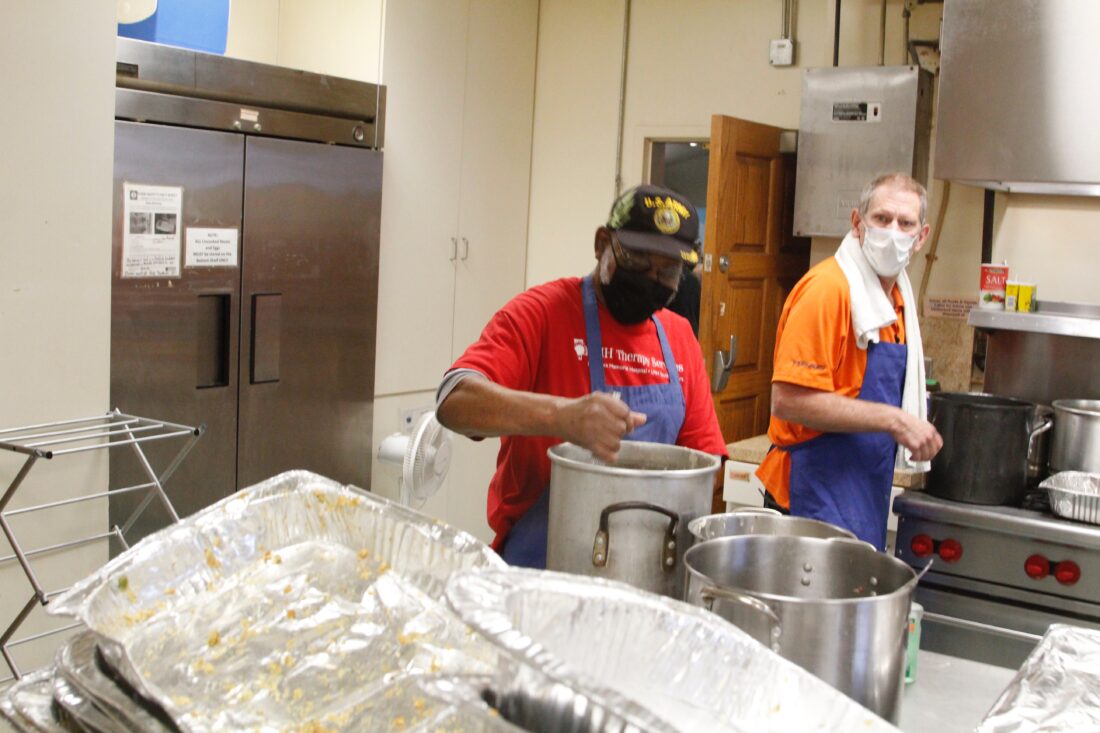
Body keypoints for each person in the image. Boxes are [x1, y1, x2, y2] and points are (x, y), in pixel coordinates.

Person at [435, 184, 728, 568]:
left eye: (668, 271)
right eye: (638, 260)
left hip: (645, 568)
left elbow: (705, 462)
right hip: (541, 566)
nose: (651, 278)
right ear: (602, 243)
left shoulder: (679, 337)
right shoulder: (542, 313)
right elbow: (453, 400)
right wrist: (561, 417)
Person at [754, 172, 943, 551]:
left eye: (905, 223)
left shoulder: (897, 304)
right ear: (858, 223)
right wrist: (896, 420)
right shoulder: (829, 290)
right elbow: (788, 401)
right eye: (882, 218)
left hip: (861, 493)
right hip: (809, 494)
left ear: (921, 237)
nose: (893, 232)